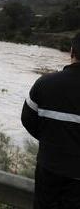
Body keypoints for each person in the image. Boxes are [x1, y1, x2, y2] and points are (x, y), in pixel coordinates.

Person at [21, 32, 80, 208]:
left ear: (71, 52)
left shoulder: (45, 83)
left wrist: (50, 138)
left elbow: (27, 120)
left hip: (49, 166)